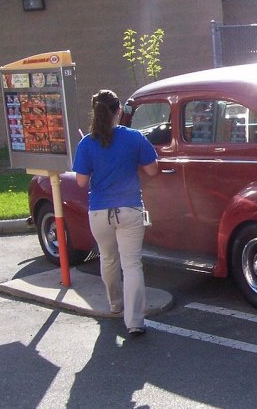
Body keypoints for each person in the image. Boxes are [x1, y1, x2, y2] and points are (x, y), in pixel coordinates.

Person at [72, 89, 159, 336]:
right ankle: (134, 322)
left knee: (108, 259)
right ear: (118, 110)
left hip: (99, 211)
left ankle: (114, 304)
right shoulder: (134, 137)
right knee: (132, 264)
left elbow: (80, 181)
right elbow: (152, 170)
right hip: (130, 208)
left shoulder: (86, 143)